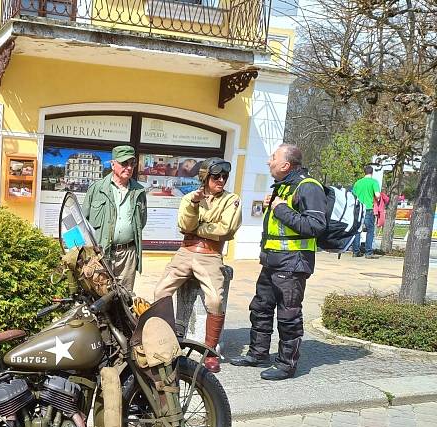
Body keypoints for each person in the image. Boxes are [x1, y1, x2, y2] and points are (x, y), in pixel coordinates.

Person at [230, 144, 327, 380]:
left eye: (273, 157)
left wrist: (280, 209)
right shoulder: (283, 187)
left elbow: (316, 226)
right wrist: (273, 208)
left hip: (293, 264)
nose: (268, 161)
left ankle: (286, 365)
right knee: (260, 308)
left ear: (285, 164)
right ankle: (258, 353)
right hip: (273, 261)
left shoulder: (309, 187)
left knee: (288, 315)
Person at [154, 158, 242, 373]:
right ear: (205, 177)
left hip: (211, 254)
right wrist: (194, 207)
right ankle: (164, 340)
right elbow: (185, 226)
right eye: (216, 176)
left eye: (224, 176)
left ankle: (210, 351)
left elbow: (226, 229)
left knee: (215, 299)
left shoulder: (231, 200)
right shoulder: (189, 198)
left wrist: (197, 228)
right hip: (185, 252)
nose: (221, 180)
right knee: (160, 291)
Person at [82, 145, 147, 292]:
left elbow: (141, 222)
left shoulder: (139, 191)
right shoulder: (97, 189)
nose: (129, 168)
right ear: (113, 164)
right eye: (124, 163)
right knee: (99, 297)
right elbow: (82, 221)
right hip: (101, 254)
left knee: (125, 297)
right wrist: (78, 252)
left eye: (132, 164)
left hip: (127, 255)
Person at [351, 166, 381, 258]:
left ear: (364, 172)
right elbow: (377, 195)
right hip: (368, 209)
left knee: (357, 230)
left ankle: (355, 251)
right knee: (370, 230)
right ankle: (368, 252)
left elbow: (353, 195)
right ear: (372, 172)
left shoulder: (357, 183)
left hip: (358, 208)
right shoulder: (374, 182)